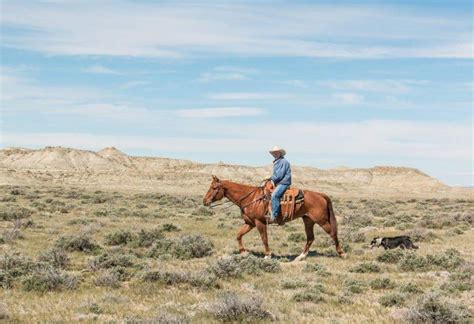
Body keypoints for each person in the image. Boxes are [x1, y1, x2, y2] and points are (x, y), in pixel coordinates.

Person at [266, 146, 292, 224]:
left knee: (274, 195)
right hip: (279, 182)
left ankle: (274, 216)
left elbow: (279, 175)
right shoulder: (277, 161)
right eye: (274, 153)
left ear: (280, 153)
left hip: (284, 183)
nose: (275, 154)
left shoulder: (283, 162)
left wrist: (270, 178)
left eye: (276, 152)